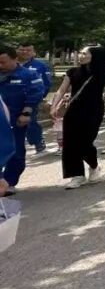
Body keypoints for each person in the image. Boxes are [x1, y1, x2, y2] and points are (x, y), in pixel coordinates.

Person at [53, 45, 105, 189]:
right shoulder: (72, 72)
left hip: (94, 110)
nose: (81, 56)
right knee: (70, 142)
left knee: (85, 142)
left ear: (95, 56)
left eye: (84, 53)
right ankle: (77, 176)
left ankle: (94, 166)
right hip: (73, 110)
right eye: (80, 53)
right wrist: (54, 106)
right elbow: (61, 90)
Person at [0, 45, 47, 193]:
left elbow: (35, 94)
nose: (0, 65)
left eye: (3, 62)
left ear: (15, 59)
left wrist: (26, 113)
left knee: (15, 152)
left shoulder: (28, 75)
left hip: (15, 120)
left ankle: (9, 182)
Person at [16, 42, 51, 153]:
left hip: (31, 100)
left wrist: (40, 97)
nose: (25, 52)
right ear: (17, 51)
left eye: (28, 50)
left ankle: (37, 140)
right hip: (11, 99)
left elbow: (46, 83)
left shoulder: (40, 66)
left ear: (34, 52)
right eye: (22, 49)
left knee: (30, 121)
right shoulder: (10, 64)